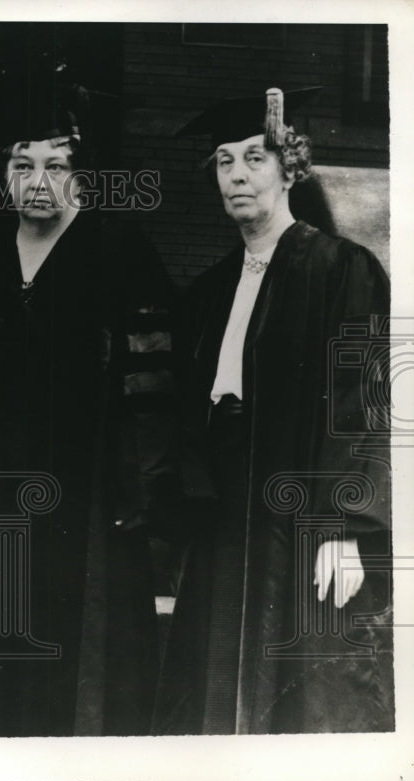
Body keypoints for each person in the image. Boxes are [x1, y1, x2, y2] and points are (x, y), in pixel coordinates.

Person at [0, 84, 179, 737]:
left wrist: (138, 485)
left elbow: (155, 378)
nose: (38, 182)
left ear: (79, 174)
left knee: (81, 666)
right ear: (3, 173)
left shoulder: (122, 253)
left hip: (88, 501)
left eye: (55, 165)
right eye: (22, 165)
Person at [154, 88, 394, 734]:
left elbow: (362, 403)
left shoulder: (344, 270)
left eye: (254, 157)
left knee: (310, 689)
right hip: (227, 519)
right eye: (224, 161)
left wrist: (343, 526)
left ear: (290, 166)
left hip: (304, 514)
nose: (236, 174)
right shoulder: (207, 293)